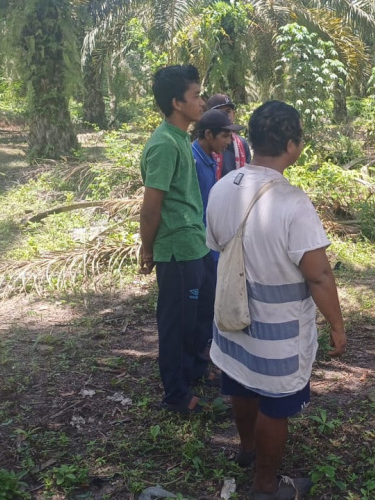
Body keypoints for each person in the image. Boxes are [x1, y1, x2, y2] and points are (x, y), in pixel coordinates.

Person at [205, 100, 347, 500]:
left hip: (232, 320)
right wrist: (337, 325)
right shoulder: (292, 201)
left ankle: (248, 451)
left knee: (241, 383)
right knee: (276, 403)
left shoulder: (221, 188)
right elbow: (318, 274)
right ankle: (266, 487)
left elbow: (216, 243)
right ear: (291, 144)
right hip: (277, 331)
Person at [138, 64, 215, 413]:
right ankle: (177, 395)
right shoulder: (164, 145)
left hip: (195, 245)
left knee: (198, 317)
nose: (202, 102)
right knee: (176, 323)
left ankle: (195, 374)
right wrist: (148, 248)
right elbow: (151, 206)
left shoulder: (181, 139)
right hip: (176, 252)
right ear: (176, 103)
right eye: (196, 96)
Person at [206, 93, 252, 177]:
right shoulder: (205, 144)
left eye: (228, 111)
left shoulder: (242, 143)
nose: (225, 116)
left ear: (233, 114)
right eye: (219, 112)